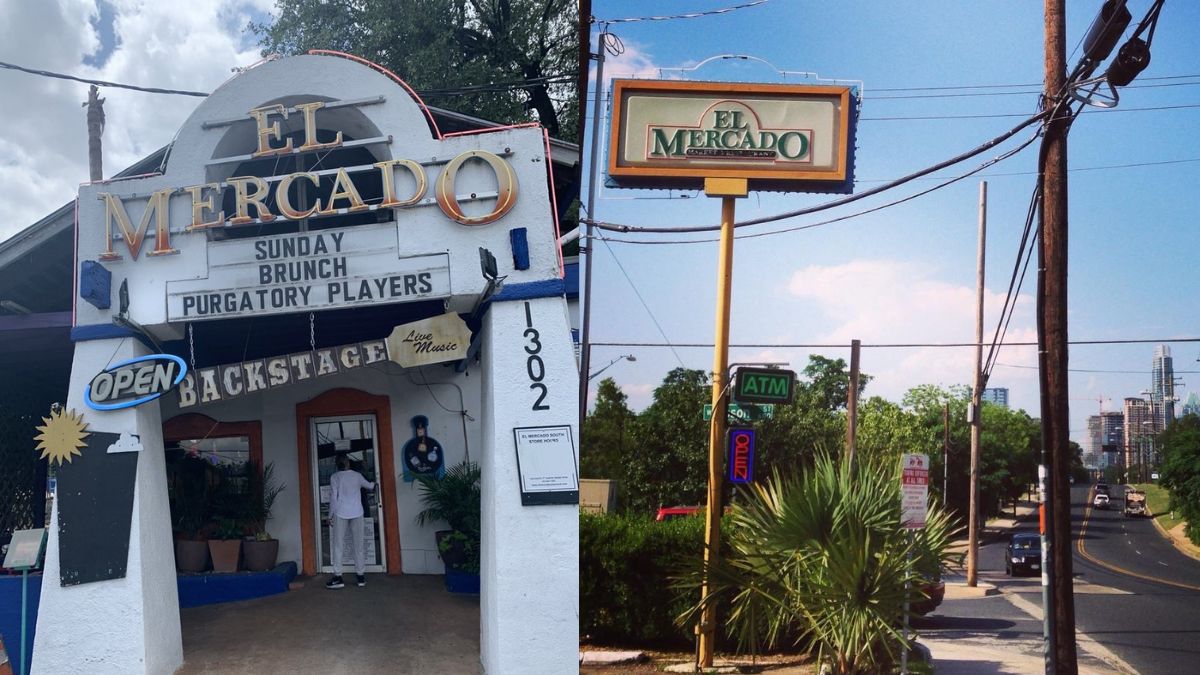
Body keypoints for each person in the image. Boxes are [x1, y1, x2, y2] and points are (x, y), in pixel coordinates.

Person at [326, 455, 376, 589]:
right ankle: (360, 577)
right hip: (357, 512)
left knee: (338, 545)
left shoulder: (335, 477)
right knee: (358, 545)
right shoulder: (357, 476)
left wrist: (329, 515)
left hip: (340, 512)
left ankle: (338, 577)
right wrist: (375, 481)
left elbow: (333, 499)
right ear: (348, 463)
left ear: (337, 465)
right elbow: (370, 486)